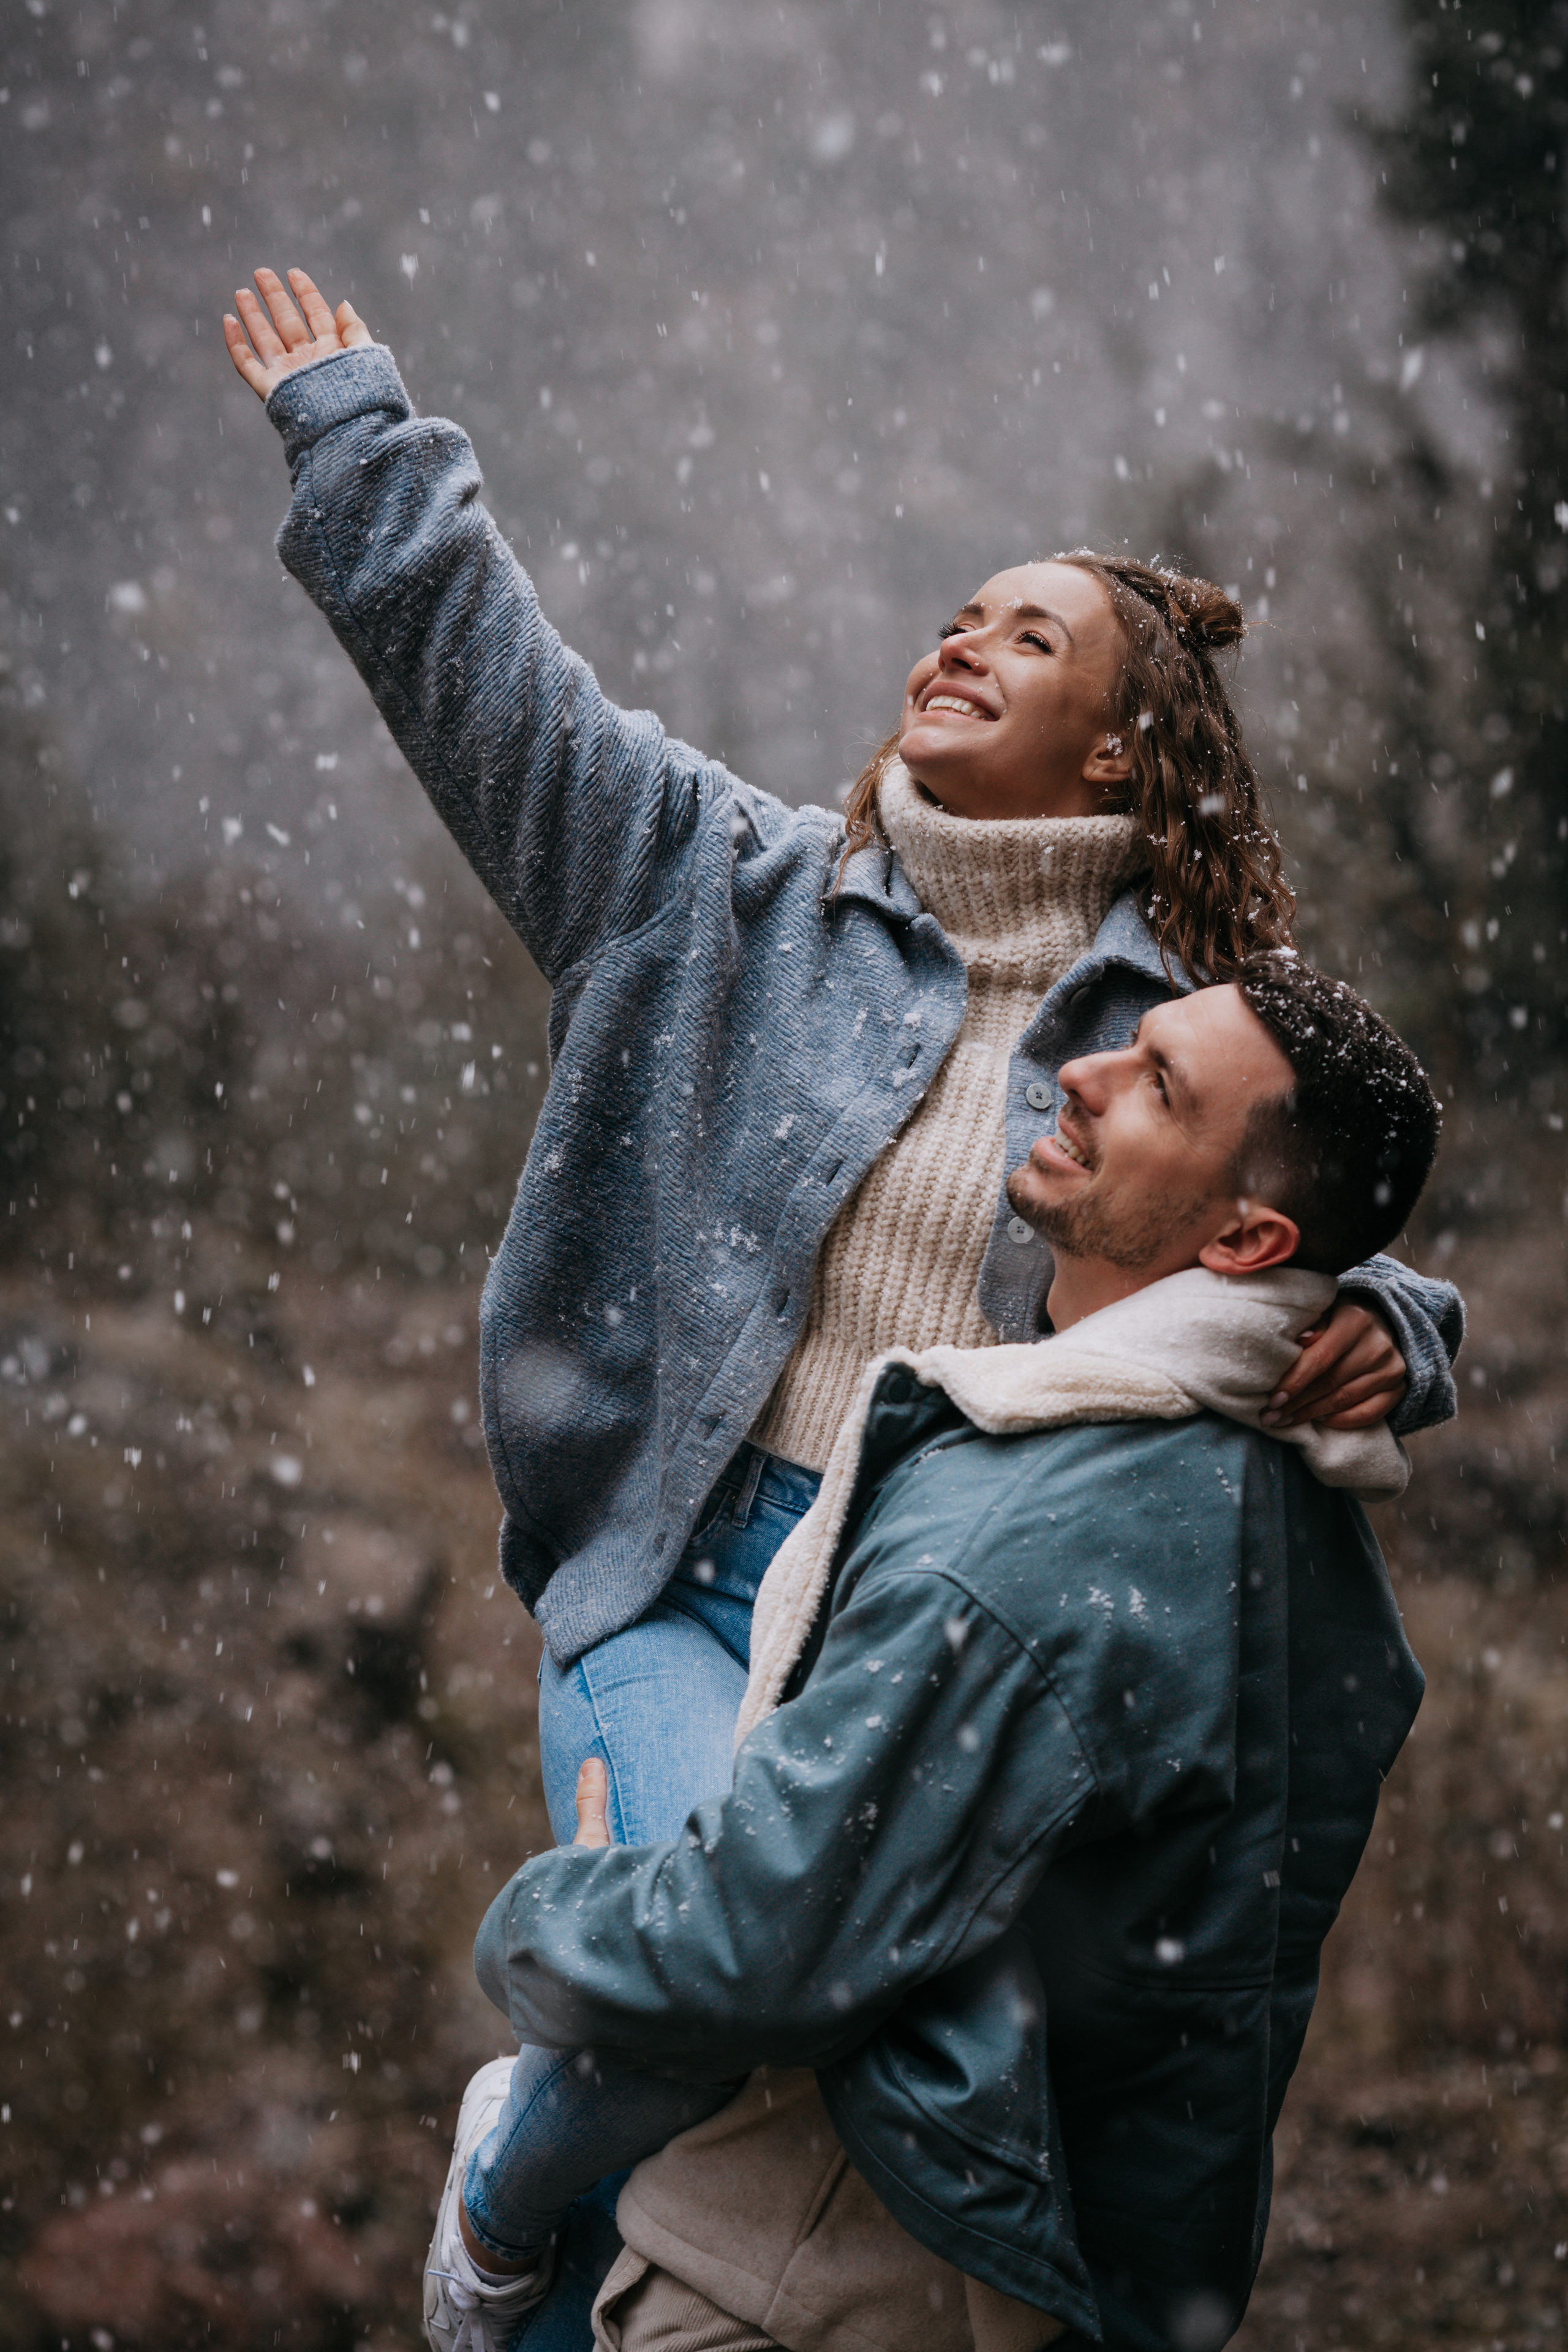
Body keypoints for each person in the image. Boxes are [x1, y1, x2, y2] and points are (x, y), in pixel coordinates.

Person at [222, 269, 1464, 2340]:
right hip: (689, 1587)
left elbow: (1330, 1207)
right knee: (720, 1978)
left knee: (853, 2071)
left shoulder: (1173, 1036)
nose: (960, 640)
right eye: (955, 613)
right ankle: (505, 2214)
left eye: (1030, 629)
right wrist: (363, 432)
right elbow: (489, 688)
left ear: (1128, 735)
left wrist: (1403, 1336)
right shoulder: (711, 887)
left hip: (918, 1626)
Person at [468, 956, 1442, 2352]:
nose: (1080, 1073)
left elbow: (752, 1945)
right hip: (1047, 2273)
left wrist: (544, 1913)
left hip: (810, 2283)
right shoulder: (1283, 1494)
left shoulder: (1026, 1547)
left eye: (1155, 1084)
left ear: (1240, 1245)